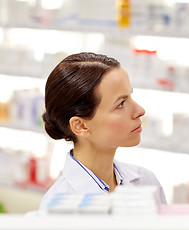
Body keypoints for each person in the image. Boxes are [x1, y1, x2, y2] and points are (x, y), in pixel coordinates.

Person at [39, 52, 166, 211]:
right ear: (81, 126)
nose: (140, 110)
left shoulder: (146, 182)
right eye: (120, 104)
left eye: (130, 97)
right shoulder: (56, 209)